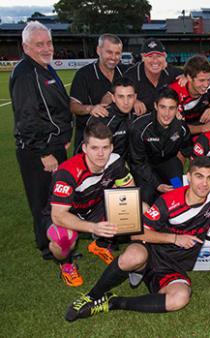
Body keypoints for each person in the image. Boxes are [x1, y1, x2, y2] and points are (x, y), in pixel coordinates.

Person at [65, 157, 210, 321]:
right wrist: (175, 238)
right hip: (150, 252)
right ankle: (91, 296)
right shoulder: (168, 201)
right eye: (199, 176)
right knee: (132, 256)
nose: (204, 183)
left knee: (180, 298)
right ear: (189, 177)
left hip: (172, 267)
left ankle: (114, 302)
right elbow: (137, 234)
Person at [44, 123, 135, 286]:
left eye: (105, 148)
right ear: (85, 148)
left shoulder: (115, 162)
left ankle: (100, 245)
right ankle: (66, 264)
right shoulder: (68, 172)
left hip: (94, 206)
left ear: (111, 147)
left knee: (138, 209)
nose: (100, 154)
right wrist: (93, 228)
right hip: (66, 214)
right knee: (63, 239)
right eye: (94, 148)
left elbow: (129, 192)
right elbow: (58, 215)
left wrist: (128, 211)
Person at [10, 21, 72, 259]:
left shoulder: (44, 67)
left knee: (57, 198)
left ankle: (57, 240)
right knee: (44, 201)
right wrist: (44, 152)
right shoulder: (26, 74)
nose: (47, 48)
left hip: (53, 145)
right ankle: (49, 247)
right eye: (39, 44)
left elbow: (55, 110)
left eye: (49, 43)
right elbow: (27, 119)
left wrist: (63, 138)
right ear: (26, 47)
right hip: (39, 151)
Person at [128, 87, 193, 205]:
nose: (167, 114)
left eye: (171, 108)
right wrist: (157, 184)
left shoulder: (180, 127)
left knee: (178, 188)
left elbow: (187, 149)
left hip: (167, 161)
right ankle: (149, 220)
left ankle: (174, 218)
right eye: (163, 107)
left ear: (177, 109)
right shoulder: (139, 128)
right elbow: (137, 162)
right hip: (144, 166)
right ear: (156, 106)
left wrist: (178, 168)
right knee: (147, 195)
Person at [70, 34, 129, 152]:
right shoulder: (84, 74)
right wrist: (91, 108)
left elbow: (147, 68)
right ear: (98, 50)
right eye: (109, 52)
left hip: (117, 139)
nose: (113, 57)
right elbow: (73, 106)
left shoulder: (125, 72)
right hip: (91, 140)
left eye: (117, 53)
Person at [169, 55, 210, 135]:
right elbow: (176, 127)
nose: (206, 84)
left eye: (208, 79)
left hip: (201, 127)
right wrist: (203, 128)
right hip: (180, 134)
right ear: (189, 78)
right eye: (201, 80)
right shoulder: (174, 92)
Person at [124, 38, 183, 113]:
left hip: (165, 119)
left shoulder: (170, 71)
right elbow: (116, 94)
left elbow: (194, 75)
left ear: (164, 57)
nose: (155, 60)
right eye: (150, 56)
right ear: (143, 57)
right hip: (139, 121)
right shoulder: (132, 74)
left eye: (159, 56)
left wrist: (186, 76)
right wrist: (133, 100)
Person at [86, 77, 137, 157]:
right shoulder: (102, 119)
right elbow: (90, 155)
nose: (126, 102)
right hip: (106, 166)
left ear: (135, 97)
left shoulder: (138, 115)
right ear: (113, 98)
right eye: (121, 97)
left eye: (129, 96)